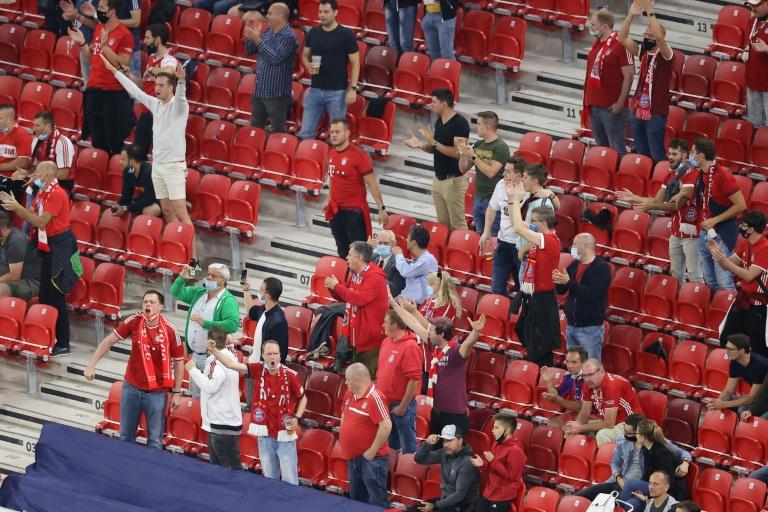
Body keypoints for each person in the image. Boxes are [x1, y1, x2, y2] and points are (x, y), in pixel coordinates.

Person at [102, 54, 193, 234]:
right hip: (158, 166)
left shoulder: (179, 107)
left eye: (160, 86)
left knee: (182, 214)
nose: (156, 89)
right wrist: (114, 71)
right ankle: (178, 251)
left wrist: (181, 80)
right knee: (167, 211)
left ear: (170, 88)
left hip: (174, 167)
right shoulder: (155, 104)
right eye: (156, 85)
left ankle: (194, 261)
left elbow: (181, 96)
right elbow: (136, 92)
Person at [84, 290, 184, 449]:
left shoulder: (170, 331)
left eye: (152, 302)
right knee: (125, 436)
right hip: (132, 388)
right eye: (145, 302)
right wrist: (91, 365)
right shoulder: (134, 321)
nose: (147, 305)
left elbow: (179, 362)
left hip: (158, 392)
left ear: (160, 307)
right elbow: (109, 341)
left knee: (155, 441)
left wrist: (177, 393)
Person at [0, 161, 78, 357]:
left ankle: (64, 342)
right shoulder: (42, 193)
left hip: (61, 246)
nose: (35, 174)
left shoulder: (58, 194)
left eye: (38, 172)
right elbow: (33, 215)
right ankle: (46, 337)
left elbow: (40, 220)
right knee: (44, 294)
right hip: (46, 246)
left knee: (56, 294)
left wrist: (17, 208)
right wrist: (21, 201)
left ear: (48, 175)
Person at [209, 338, 306, 483]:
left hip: (285, 433)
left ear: (280, 355)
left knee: (290, 479)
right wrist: (214, 350)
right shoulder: (257, 369)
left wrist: (297, 418)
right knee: (269, 478)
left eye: (275, 353)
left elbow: (303, 398)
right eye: (268, 354)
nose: (272, 357)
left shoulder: (291, 375)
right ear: (263, 356)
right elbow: (231, 364)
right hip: (265, 435)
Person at [390, 297, 484, 436]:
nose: (428, 332)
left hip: (454, 415)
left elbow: (467, 345)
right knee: (433, 450)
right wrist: (393, 303)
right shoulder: (435, 345)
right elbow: (413, 323)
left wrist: (475, 332)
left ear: (441, 334)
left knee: (450, 454)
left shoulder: (455, 351)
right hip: (437, 412)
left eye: (432, 330)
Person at [617, 139, 701, 284]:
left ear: (684, 155)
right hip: (676, 232)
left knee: (694, 276)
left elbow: (676, 205)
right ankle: (678, 304)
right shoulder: (670, 175)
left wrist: (651, 207)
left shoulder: (691, 174)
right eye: (669, 154)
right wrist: (634, 197)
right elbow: (657, 201)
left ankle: (696, 303)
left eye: (675, 154)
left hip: (692, 234)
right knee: (675, 274)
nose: (670, 157)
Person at [67, 0, 135, 156]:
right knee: (97, 140)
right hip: (94, 91)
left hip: (112, 94)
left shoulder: (124, 34)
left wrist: (105, 48)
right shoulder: (99, 29)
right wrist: (82, 41)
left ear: (111, 11)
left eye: (102, 8)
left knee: (114, 141)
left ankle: (114, 172)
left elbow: (123, 63)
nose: (98, 11)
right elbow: (92, 58)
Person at [576, 413, 692, 502]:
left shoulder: (654, 443)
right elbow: (615, 463)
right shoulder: (624, 441)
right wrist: (619, 478)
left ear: (640, 432)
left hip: (637, 487)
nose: (626, 435)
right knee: (582, 496)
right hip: (618, 482)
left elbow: (681, 452)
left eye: (630, 433)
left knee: (611, 503)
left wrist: (685, 462)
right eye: (625, 431)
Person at [171, 263, 240, 398]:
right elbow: (176, 292)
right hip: (196, 356)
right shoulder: (199, 293)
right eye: (208, 274)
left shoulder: (228, 300)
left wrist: (206, 323)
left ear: (223, 280)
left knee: (211, 397)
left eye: (213, 275)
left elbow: (232, 325)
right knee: (195, 397)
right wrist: (182, 278)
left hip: (214, 358)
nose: (208, 277)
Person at [510, 182, 560, 367]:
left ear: (544, 223)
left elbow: (518, 228)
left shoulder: (549, 240)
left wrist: (515, 201)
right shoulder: (541, 241)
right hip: (533, 297)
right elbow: (520, 228)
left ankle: (542, 378)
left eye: (536, 222)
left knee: (540, 348)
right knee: (527, 336)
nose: (533, 224)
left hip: (543, 300)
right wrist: (511, 202)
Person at [405, 89, 470, 230]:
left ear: (444, 103)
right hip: (438, 180)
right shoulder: (440, 121)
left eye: (434, 101)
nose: (431, 104)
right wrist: (420, 145)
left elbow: (458, 153)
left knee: (458, 225)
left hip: (453, 181)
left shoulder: (460, 123)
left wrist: (433, 142)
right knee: (443, 225)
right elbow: (436, 148)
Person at [618, 0, 674, 164]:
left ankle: (659, 183)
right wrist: (630, 15)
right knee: (641, 155)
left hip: (655, 113)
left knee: (656, 154)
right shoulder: (642, 51)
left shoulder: (666, 55)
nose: (647, 38)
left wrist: (650, 13)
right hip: (638, 110)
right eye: (645, 35)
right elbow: (622, 37)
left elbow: (659, 37)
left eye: (650, 36)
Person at [324, 118, 388, 259]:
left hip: (354, 212)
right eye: (332, 132)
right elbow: (333, 179)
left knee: (360, 254)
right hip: (336, 211)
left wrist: (381, 208)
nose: (333, 135)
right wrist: (329, 198)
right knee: (342, 251)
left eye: (337, 132)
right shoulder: (332, 153)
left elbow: (372, 183)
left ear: (347, 133)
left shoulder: (358, 155)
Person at [297, 0, 360, 140]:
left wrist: (353, 88)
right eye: (320, 12)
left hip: (337, 93)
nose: (322, 15)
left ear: (335, 13)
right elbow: (305, 55)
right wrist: (308, 66)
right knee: (305, 132)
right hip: (315, 90)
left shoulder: (346, 35)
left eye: (326, 12)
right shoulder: (313, 32)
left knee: (337, 135)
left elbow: (355, 63)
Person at [325, 241, 389, 376]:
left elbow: (359, 299)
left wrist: (337, 286)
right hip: (356, 338)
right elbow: (346, 296)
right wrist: (333, 289)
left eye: (349, 255)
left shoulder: (375, 276)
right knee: (356, 381)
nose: (347, 258)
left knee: (366, 382)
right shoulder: (356, 274)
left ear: (360, 258)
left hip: (370, 342)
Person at [693, 137, 747, 292]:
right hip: (705, 233)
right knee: (710, 281)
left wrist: (715, 219)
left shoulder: (723, 175)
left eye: (692, 152)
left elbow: (741, 205)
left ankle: (732, 315)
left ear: (701, 156)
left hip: (722, 234)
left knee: (724, 283)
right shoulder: (702, 173)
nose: (690, 155)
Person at [713, 211, 768, 357]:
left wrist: (725, 263)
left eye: (743, 225)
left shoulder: (765, 248)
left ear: (750, 229)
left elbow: (749, 275)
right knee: (727, 338)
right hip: (743, 300)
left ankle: (756, 376)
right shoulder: (744, 242)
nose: (740, 227)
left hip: (758, 306)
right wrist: (719, 257)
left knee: (758, 347)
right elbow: (728, 265)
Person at [186, 327, 242, 469]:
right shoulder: (230, 353)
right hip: (225, 422)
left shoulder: (215, 362)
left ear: (210, 342)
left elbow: (210, 386)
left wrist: (193, 369)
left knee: (228, 472)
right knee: (225, 470)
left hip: (220, 424)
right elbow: (227, 343)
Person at [339, 362, 392, 508]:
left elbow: (386, 426)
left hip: (371, 460)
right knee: (356, 499)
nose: (346, 383)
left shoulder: (375, 398)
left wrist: (372, 451)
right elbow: (344, 414)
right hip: (353, 458)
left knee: (376, 501)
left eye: (348, 380)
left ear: (357, 380)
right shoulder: (349, 394)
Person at [122, 23, 178, 160]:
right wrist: (130, 75)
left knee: (160, 158)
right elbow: (145, 84)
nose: (144, 41)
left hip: (161, 116)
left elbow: (170, 71)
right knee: (136, 156)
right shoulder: (151, 57)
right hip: (146, 114)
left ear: (157, 40)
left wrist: (153, 70)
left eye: (147, 38)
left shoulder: (169, 58)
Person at [584, 8, 634, 156]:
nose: (590, 28)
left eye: (593, 25)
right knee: (602, 150)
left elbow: (629, 75)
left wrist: (620, 103)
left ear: (604, 26)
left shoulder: (621, 45)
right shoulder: (597, 44)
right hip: (594, 105)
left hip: (611, 108)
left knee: (616, 150)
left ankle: (619, 178)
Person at [553, 233, 611, 360]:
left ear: (584, 246)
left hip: (589, 329)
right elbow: (562, 290)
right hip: (571, 325)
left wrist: (568, 282)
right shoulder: (575, 264)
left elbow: (592, 294)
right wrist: (558, 280)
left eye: (574, 244)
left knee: (590, 368)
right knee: (574, 367)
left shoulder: (601, 268)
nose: (571, 247)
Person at [503, 163, 559, 291]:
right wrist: (511, 199)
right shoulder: (531, 197)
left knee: (528, 297)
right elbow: (519, 224)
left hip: (532, 259)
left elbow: (541, 235)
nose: (522, 180)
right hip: (526, 256)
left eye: (525, 178)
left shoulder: (544, 203)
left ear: (534, 180)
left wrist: (523, 249)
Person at [244, 3, 298, 133]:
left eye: (269, 13)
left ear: (280, 15)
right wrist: (251, 38)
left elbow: (275, 58)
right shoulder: (268, 31)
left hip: (276, 95)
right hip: (260, 91)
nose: (266, 16)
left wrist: (257, 40)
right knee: (255, 131)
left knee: (277, 132)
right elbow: (249, 51)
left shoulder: (288, 37)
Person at [377, 310, 423, 454]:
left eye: (385, 321)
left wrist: (403, 407)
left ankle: (408, 475)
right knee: (391, 448)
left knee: (408, 450)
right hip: (385, 404)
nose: (382, 324)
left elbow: (414, 380)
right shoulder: (386, 342)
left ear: (395, 324)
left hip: (401, 406)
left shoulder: (410, 347)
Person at [567, 358, 644, 445]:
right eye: (584, 376)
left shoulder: (612, 385)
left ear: (601, 372)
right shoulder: (588, 384)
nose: (587, 379)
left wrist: (581, 427)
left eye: (590, 375)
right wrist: (576, 426)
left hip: (631, 425)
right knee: (570, 431)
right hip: (612, 422)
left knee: (603, 435)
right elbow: (585, 413)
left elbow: (609, 423)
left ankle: (606, 458)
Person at [458, 111, 510, 236]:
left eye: (479, 124)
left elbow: (491, 172)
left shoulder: (501, 147)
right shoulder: (478, 144)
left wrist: (474, 157)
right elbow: (462, 169)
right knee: (479, 235)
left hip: (493, 198)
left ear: (487, 127)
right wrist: (463, 153)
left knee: (493, 236)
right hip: (479, 197)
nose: (477, 127)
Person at [480, 156, 527, 293]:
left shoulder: (529, 190)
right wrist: (486, 231)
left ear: (518, 175)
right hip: (503, 243)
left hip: (522, 245)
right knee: (497, 286)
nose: (503, 174)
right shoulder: (501, 184)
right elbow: (491, 208)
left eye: (507, 171)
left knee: (522, 289)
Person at [619, 420, 690, 511]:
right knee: (632, 503)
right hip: (653, 487)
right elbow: (647, 475)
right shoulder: (646, 449)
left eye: (636, 433)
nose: (635, 436)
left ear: (643, 437)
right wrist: (643, 492)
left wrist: (648, 493)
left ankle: (619, 508)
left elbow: (669, 484)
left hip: (671, 492)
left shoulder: (663, 454)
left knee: (629, 484)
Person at [409, 425, 479, 512]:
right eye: (444, 441)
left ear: (460, 441)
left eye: (449, 440)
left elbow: (460, 495)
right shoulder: (444, 453)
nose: (446, 444)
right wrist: (427, 444)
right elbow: (419, 459)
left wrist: (435, 506)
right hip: (446, 501)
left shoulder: (467, 462)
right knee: (412, 510)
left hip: (462, 506)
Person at [471, 414, 526, 512]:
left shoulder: (516, 450)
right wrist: (482, 464)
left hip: (502, 495)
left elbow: (511, 476)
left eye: (496, 427)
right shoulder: (497, 443)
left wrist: (493, 461)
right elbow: (491, 467)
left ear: (507, 430)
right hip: (489, 491)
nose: (492, 430)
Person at [708, 334, 768, 411]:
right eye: (726, 348)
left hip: (764, 399)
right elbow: (728, 391)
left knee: (742, 409)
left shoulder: (760, 365)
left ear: (742, 350)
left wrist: (723, 404)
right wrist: (718, 401)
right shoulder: (734, 363)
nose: (726, 351)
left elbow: (751, 398)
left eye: (730, 349)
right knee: (727, 400)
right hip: (759, 397)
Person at [27, 112, 75, 194]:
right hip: (39, 185)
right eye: (34, 125)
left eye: (37, 125)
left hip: (59, 188)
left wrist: (40, 178)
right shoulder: (36, 140)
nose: (34, 129)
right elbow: (34, 167)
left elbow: (63, 174)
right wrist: (27, 174)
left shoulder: (63, 142)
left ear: (48, 126)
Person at [242, 276, 288, 362]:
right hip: (254, 363)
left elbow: (279, 354)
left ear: (266, 296)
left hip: (263, 369)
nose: (258, 292)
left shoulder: (278, 321)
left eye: (261, 290)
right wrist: (246, 290)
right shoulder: (264, 309)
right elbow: (250, 311)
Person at [540, 346, 588, 428]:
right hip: (575, 414)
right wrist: (549, 381)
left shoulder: (589, 379)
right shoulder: (568, 376)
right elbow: (555, 396)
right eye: (567, 362)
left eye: (574, 362)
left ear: (584, 363)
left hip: (592, 416)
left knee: (568, 428)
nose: (569, 366)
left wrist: (557, 399)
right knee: (551, 424)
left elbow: (580, 408)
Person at [393, 224, 438, 305]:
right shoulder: (420, 259)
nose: (406, 240)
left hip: (416, 305)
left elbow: (406, 272)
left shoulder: (428, 259)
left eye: (408, 238)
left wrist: (399, 255)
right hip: (407, 301)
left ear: (413, 242)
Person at [0, 212, 41, 300]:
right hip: (13, 275)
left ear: (3, 229)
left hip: (31, 282)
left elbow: (14, 276)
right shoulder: (3, 237)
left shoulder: (15, 242)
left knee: (1, 289)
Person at [114, 143, 161, 217]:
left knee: (148, 211)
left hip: (162, 198)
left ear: (131, 161)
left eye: (123, 159)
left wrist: (126, 208)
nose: (120, 162)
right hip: (147, 197)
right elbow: (126, 195)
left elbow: (148, 200)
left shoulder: (149, 172)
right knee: (117, 208)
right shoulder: (128, 171)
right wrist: (120, 206)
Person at [745, 0, 768, 128]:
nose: (753, 8)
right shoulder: (751, 22)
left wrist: (766, 49)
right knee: (753, 124)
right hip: (752, 82)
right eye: (751, 5)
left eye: (756, 5)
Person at [370, 230, 406, 297]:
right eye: (380, 243)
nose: (382, 246)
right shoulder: (373, 257)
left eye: (386, 243)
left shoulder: (399, 263)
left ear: (394, 243)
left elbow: (395, 289)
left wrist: (374, 280)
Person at [0, 105, 32, 175]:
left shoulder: (22, 135)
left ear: (9, 120)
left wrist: (1, 166)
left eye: (0, 118)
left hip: (10, 178)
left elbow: (23, 162)